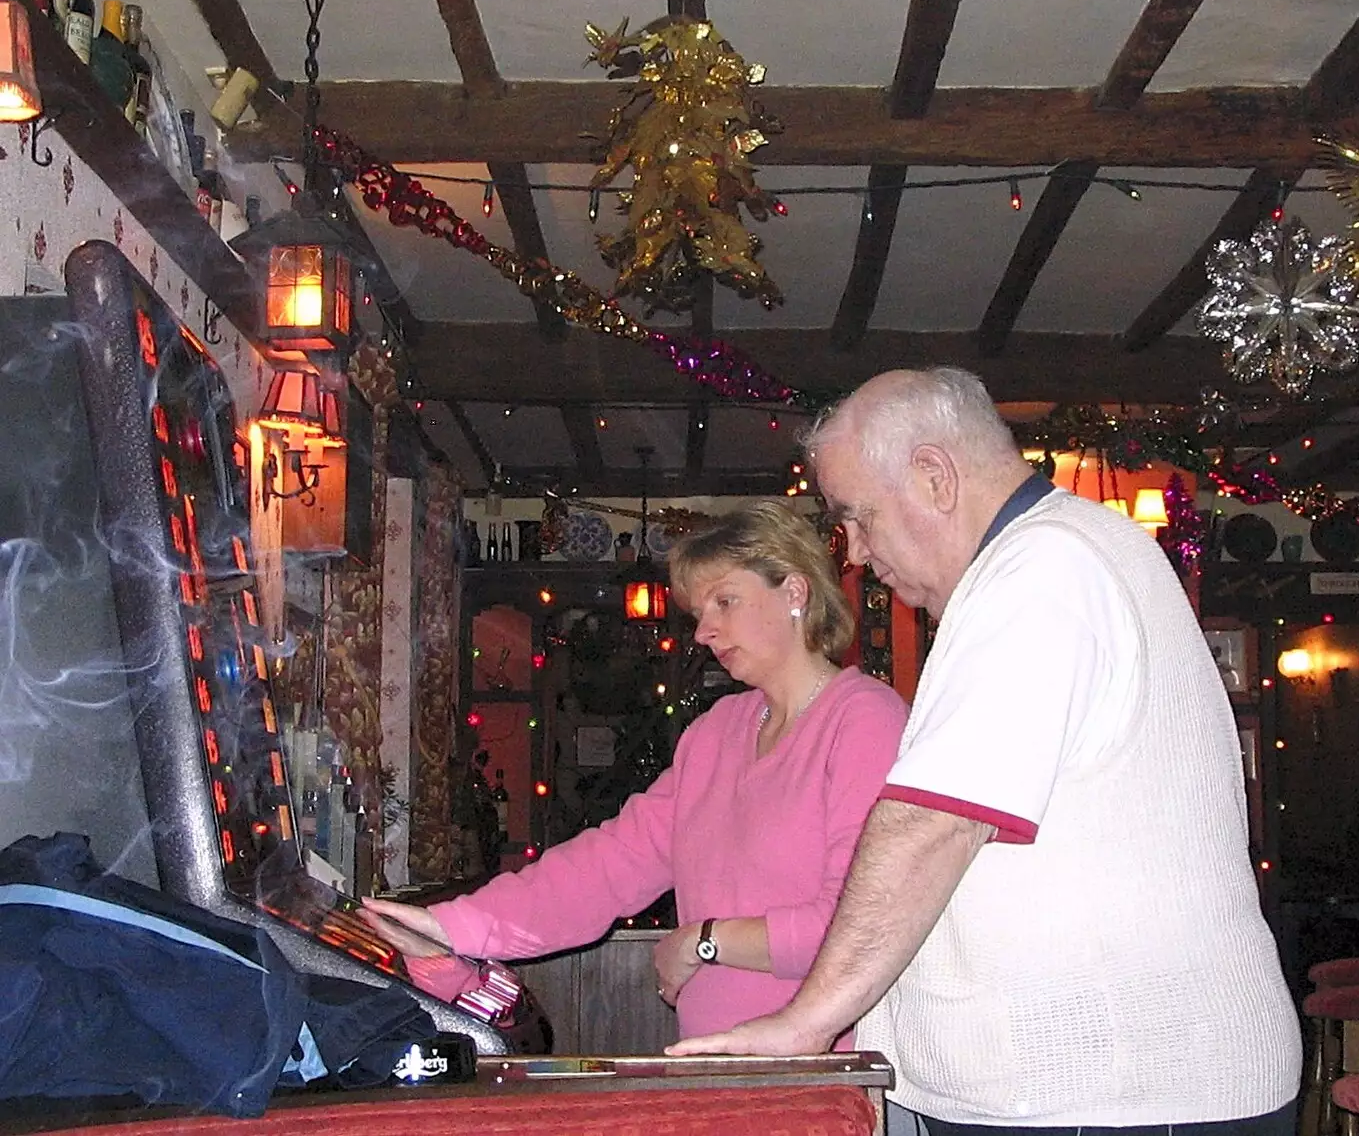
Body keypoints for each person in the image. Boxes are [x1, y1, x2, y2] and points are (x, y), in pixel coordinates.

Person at [668, 369, 1301, 1136]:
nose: (859, 554)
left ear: (935, 476)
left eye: (860, 518)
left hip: (1111, 1094)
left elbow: (932, 822)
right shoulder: (1063, 556)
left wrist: (803, 1025)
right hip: (1119, 1088)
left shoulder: (1042, 569)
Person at [363, 500, 908, 1042]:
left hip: (823, 1071)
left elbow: (857, 927)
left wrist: (704, 942)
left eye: (726, 601)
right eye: (700, 613)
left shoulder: (864, 721)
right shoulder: (718, 731)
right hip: (714, 1066)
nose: (704, 632)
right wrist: (454, 926)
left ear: (794, 592)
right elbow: (610, 865)